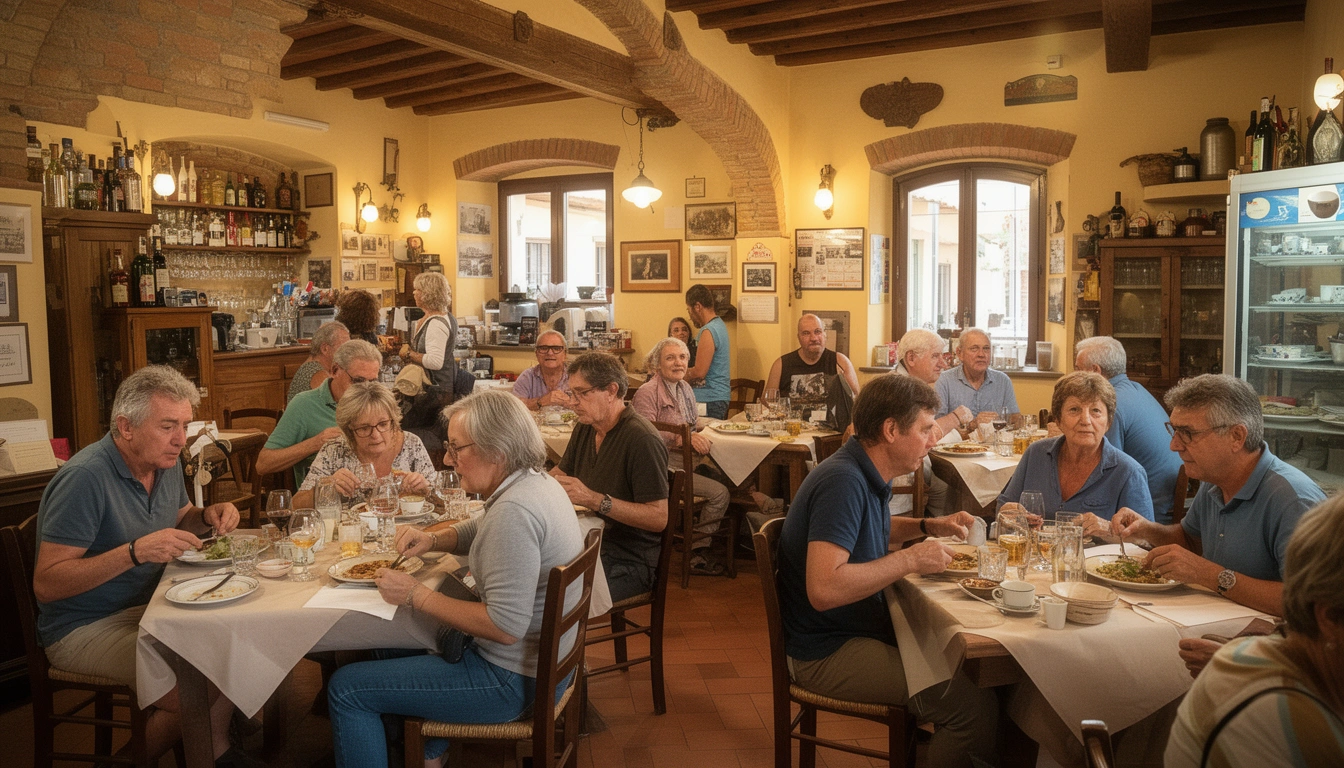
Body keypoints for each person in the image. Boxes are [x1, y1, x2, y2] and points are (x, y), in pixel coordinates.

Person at [326, 390, 584, 768]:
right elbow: (480, 524)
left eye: (457, 448)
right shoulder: (534, 482)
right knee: (388, 645)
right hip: (545, 664)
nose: (448, 459)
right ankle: (426, 749)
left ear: (496, 449)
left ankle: (421, 745)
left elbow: (504, 625)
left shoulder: (514, 511)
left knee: (346, 688)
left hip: (510, 682)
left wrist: (416, 594)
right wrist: (434, 538)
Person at [776, 375, 998, 767]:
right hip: (825, 651)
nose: (934, 440)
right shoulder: (843, 481)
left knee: (982, 671)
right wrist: (910, 560)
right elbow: (824, 588)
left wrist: (929, 525)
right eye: (926, 429)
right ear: (891, 430)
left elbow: (865, 529)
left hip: (851, 630)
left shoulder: (860, 468)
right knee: (971, 706)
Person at [34, 366, 246, 764]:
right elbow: (46, 584)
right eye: (168, 426)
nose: (180, 439)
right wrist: (135, 551)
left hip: (149, 607)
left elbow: (181, 516)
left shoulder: (162, 463)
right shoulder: (85, 478)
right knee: (199, 684)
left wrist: (206, 515)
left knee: (230, 643)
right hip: (81, 626)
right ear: (125, 427)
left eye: (184, 425)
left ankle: (217, 754)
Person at [1110, 374, 1325, 617]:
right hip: (1212, 619)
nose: (1174, 445)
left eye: (1187, 433)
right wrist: (1148, 529)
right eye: (1174, 430)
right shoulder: (1213, 481)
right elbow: (1192, 540)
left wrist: (1210, 575)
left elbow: (1310, 605)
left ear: (1237, 437)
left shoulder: (1293, 501)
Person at [1165, 498, 1344, 766]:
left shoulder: (1289, 495)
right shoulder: (1280, 716)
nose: (1176, 452)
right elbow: (1187, 538)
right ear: (1329, 619)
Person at [551, 352, 669, 602]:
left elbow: (658, 518)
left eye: (581, 393)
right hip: (588, 545)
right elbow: (558, 476)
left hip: (629, 560)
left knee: (547, 595)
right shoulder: (585, 427)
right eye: (572, 393)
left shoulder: (641, 439)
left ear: (611, 391)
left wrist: (595, 500)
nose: (573, 402)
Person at [631, 337, 731, 575]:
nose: (678, 363)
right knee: (721, 493)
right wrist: (680, 437)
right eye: (670, 358)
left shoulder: (685, 387)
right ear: (657, 364)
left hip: (687, 460)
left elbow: (693, 423)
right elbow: (643, 436)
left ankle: (695, 538)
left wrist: (716, 427)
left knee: (731, 476)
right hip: (663, 468)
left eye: (683, 357)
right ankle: (697, 552)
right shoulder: (647, 393)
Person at [997, 371, 1154, 522]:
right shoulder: (1035, 454)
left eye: (1095, 411)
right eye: (1074, 410)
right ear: (1058, 420)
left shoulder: (1128, 472)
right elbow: (1003, 509)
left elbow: (1144, 541)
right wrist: (1007, 513)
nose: (1085, 420)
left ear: (1108, 423)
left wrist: (1109, 531)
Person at [1075, 336, 1184, 524]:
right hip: (1169, 499)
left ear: (1095, 371)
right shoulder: (1136, 389)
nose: (1074, 375)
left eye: (1077, 369)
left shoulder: (1109, 406)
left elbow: (1103, 469)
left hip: (1147, 511)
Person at [257, 339, 383, 488]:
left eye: (373, 382)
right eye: (358, 381)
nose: (366, 389)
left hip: (372, 496)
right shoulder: (304, 404)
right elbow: (263, 464)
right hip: (322, 501)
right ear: (335, 370)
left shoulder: (378, 404)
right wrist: (315, 443)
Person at [293, 382, 434, 506]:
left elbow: (441, 500)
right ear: (349, 430)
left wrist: (425, 489)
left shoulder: (411, 444)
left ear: (393, 421)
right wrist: (326, 486)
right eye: (364, 428)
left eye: (383, 424)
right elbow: (295, 505)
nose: (376, 435)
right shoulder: (335, 450)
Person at [764, 314, 860, 413]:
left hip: (832, 428)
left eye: (817, 331)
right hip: (792, 426)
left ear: (824, 334)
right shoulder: (781, 364)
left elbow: (856, 401)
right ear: (799, 338)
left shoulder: (840, 361)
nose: (813, 338)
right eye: (806, 333)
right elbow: (767, 403)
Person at [893, 328, 974, 440]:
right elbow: (919, 440)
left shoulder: (911, 385)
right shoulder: (896, 390)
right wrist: (955, 418)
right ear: (911, 358)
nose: (943, 364)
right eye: (935, 356)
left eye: (942, 356)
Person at [935, 328, 1019, 423]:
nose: (981, 354)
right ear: (959, 353)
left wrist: (1000, 419)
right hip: (959, 438)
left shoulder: (1002, 380)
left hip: (995, 437)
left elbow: (1015, 419)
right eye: (974, 349)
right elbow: (937, 426)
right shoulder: (944, 381)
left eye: (986, 349)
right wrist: (973, 425)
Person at [398, 271, 458, 389]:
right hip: (438, 387)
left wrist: (409, 354)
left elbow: (435, 362)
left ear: (428, 294)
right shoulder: (446, 317)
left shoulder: (436, 323)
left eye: (418, 290)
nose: (414, 293)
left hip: (435, 390)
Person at [683, 284, 730, 419]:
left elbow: (699, 372)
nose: (690, 317)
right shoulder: (719, 325)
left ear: (697, 307)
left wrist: (678, 375)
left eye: (689, 310)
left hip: (708, 400)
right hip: (716, 398)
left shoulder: (708, 330)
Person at [511, 329, 574, 410]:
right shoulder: (527, 377)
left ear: (565, 354)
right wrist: (541, 402)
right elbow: (514, 408)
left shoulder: (576, 375)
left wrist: (569, 403)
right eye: (544, 348)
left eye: (556, 348)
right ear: (536, 353)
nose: (550, 353)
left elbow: (589, 407)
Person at [288, 321, 349, 404]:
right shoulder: (316, 373)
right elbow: (339, 406)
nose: (347, 353)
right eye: (343, 347)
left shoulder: (319, 368)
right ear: (325, 349)